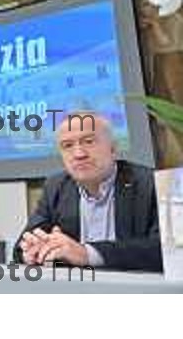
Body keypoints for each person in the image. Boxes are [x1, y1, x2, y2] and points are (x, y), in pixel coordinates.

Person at [14, 111, 163, 272]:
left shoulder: (152, 183)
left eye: (89, 142)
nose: (79, 154)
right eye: (68, 146)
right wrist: (31, 252)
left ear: (113, 148)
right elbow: (22, 247)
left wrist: (87, 253)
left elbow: (165, 250)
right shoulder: (56, 186)